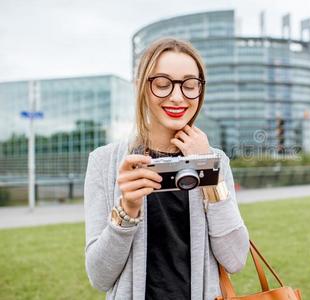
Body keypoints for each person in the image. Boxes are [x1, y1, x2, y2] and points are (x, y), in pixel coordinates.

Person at [83, 37, 250, 300]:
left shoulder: (214, 160)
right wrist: (127, 208)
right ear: (141, 87)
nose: (176, 96)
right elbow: (99, 276)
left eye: (189, 85)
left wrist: (207, 171)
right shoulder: (104, 162)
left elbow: (235, 259)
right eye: (162, 84)